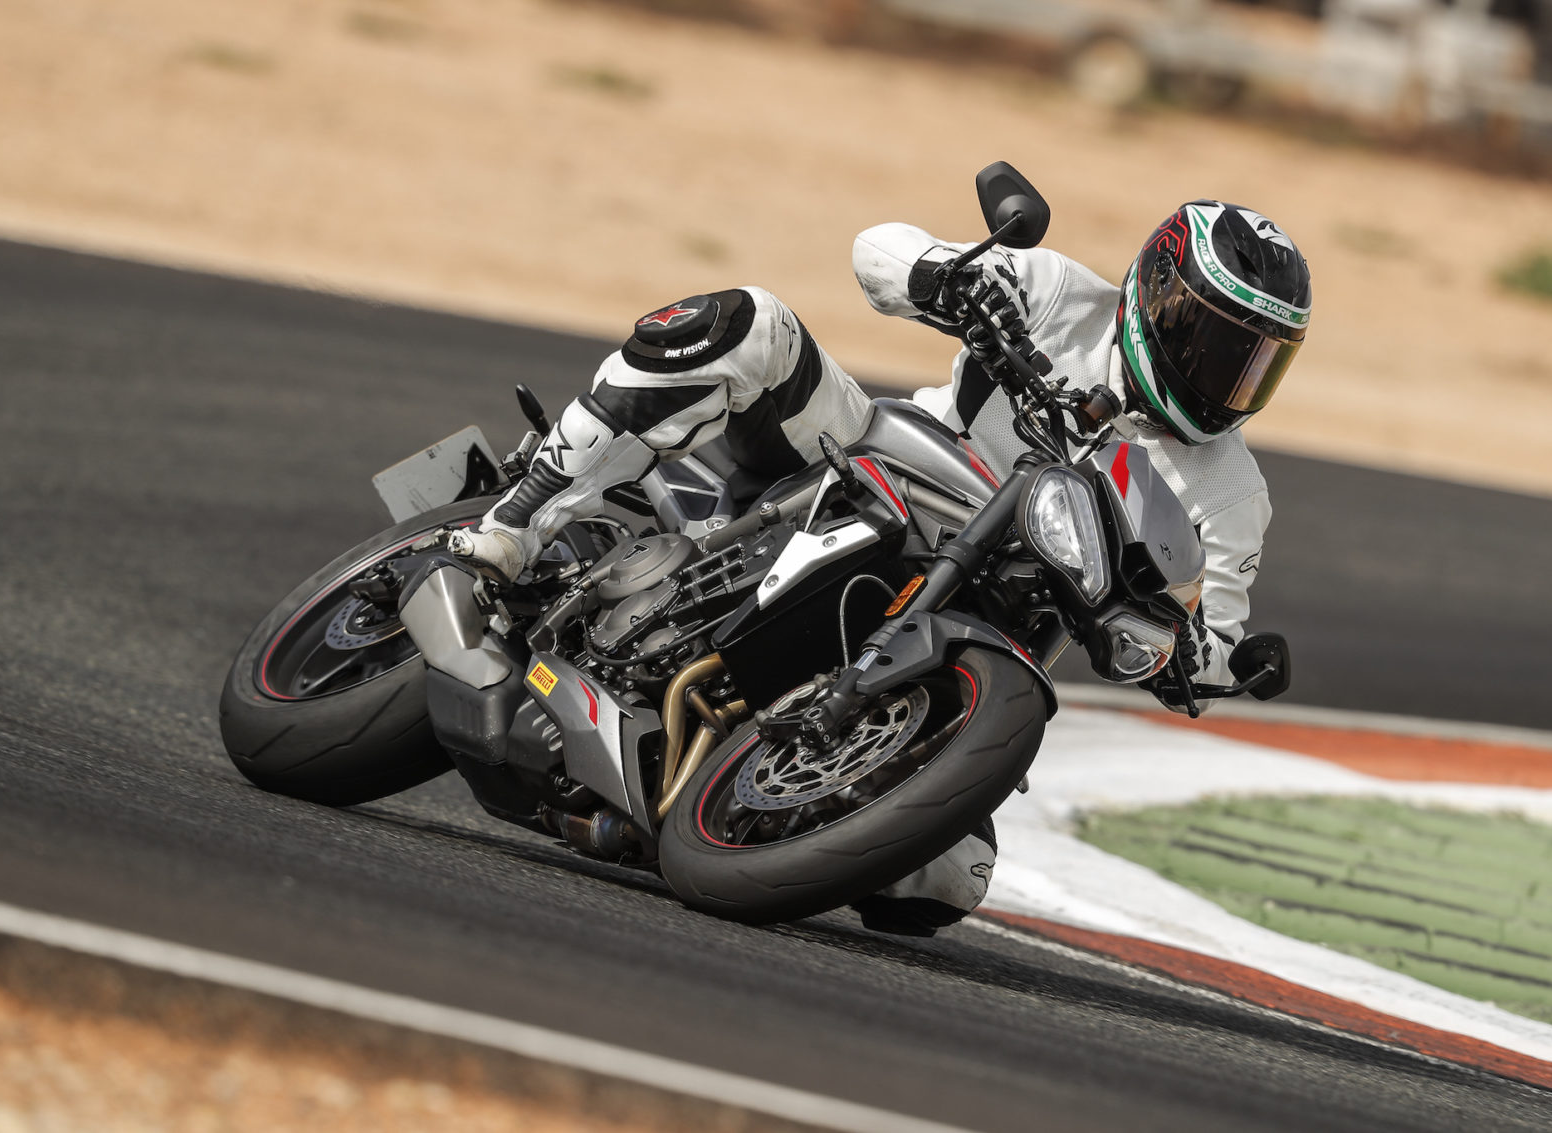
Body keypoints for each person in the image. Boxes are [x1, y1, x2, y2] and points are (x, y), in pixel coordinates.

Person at [450, 199, 1312, 935]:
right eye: (1216, 342)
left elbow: (1213, 634)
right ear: (1157, 295)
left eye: (1258, 361)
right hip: (867, 469)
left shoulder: (1233, 493)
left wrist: (1198, 662)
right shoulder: (1056, 294)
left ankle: (729, 795)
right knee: (751, 324)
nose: (1228, 378)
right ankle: (515, 523)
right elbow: (880, 250)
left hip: (988, 620)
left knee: (944, 880)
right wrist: (945, 277)